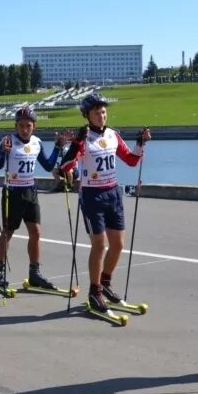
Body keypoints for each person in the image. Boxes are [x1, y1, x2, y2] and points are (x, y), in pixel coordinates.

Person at [58, 93, 151, 313]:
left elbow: (131, 160)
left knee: (118, 245)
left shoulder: (113, 135)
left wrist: (140, 142)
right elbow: (65, 166)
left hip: (112, 193)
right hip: (92, 195)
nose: (102, 115)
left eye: (104, 111)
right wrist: (76, 144)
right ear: (87, 115)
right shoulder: (84, 137)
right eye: (97, 112)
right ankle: (94, 291)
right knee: (99, 245)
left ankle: (105, 284)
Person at [0, 106, 64, 290]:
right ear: (16, 126)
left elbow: (48, 166)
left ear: (34, 126)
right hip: (12, 192)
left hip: (30, 192)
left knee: (36, 232)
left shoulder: (37, 142)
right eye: (21, 125)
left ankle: (34, 273)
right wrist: (3, 151)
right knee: (8, 232)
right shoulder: (8, 141)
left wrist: (57, 147)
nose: (24, 129)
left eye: (28, 125)